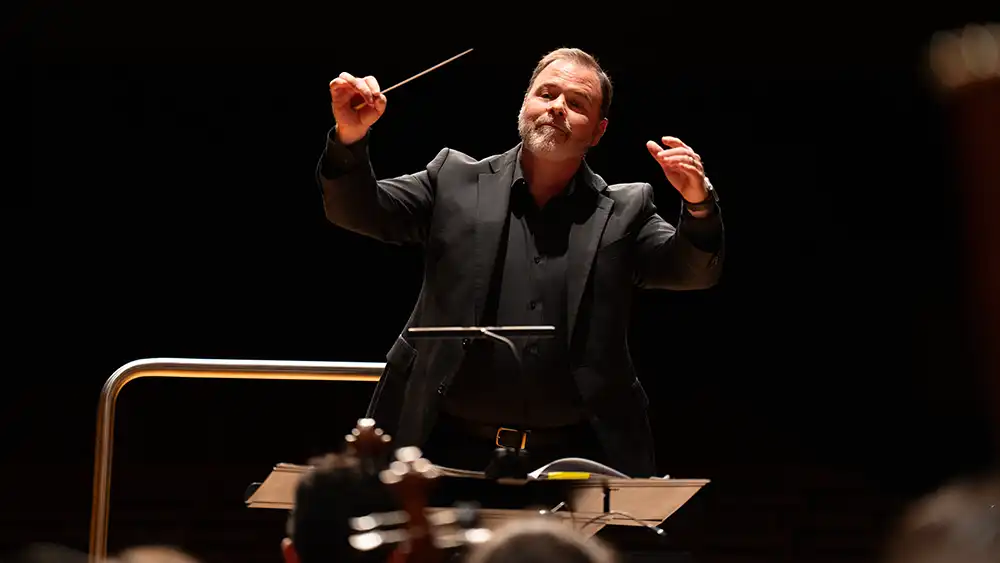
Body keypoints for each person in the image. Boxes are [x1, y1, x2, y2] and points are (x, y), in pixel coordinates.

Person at [316, 47, 724, 478]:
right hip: (442, 447)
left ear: (598, 131)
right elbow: (357, 210)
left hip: (577, 458)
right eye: (546, 94)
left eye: (577, 103)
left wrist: (698, 203)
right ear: (525, 103)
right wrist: (350, 138)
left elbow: (692, 271)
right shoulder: (453, 180)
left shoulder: (626, 210)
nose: (557, 107)